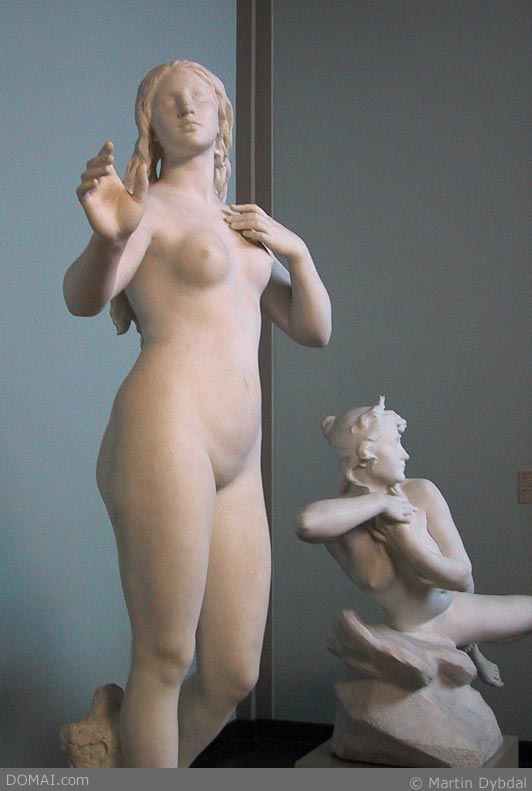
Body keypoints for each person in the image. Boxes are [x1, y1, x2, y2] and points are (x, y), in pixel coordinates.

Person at [63, 59, 331, 768]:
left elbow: (313, 329)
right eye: (170, 101)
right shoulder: (143, 208)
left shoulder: (243, 224)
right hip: (166, 428)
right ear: (150, 123)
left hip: (239, 454)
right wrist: (108, 237)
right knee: (165, 655)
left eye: (202, 96)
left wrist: (297, 253)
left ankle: (123, 765)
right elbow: (84, 299)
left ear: (222, 116)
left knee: (234, 671)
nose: (188, 108)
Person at [296, 397, 532, 687]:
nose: (405, 455)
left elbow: (462, 578)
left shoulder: (421, 492)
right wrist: (381, 503)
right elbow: (306, 523)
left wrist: (411, 548)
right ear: (367, 452)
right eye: (396, 443)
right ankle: (467, 650)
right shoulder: (343, 523)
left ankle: (470, 650)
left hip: (453, 611)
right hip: (410, 629)